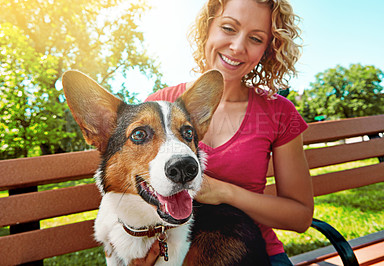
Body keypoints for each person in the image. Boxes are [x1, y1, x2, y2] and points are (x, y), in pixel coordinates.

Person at [132, 0, 314, 265]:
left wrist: (224, 193)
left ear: (267, 50)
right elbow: (133, 192)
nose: (238, 47)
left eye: (255, 38)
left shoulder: (279, 112)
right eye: (229, 28)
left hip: (251, 253)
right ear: (207, 29)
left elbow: (299, 216)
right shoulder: (159, 105)